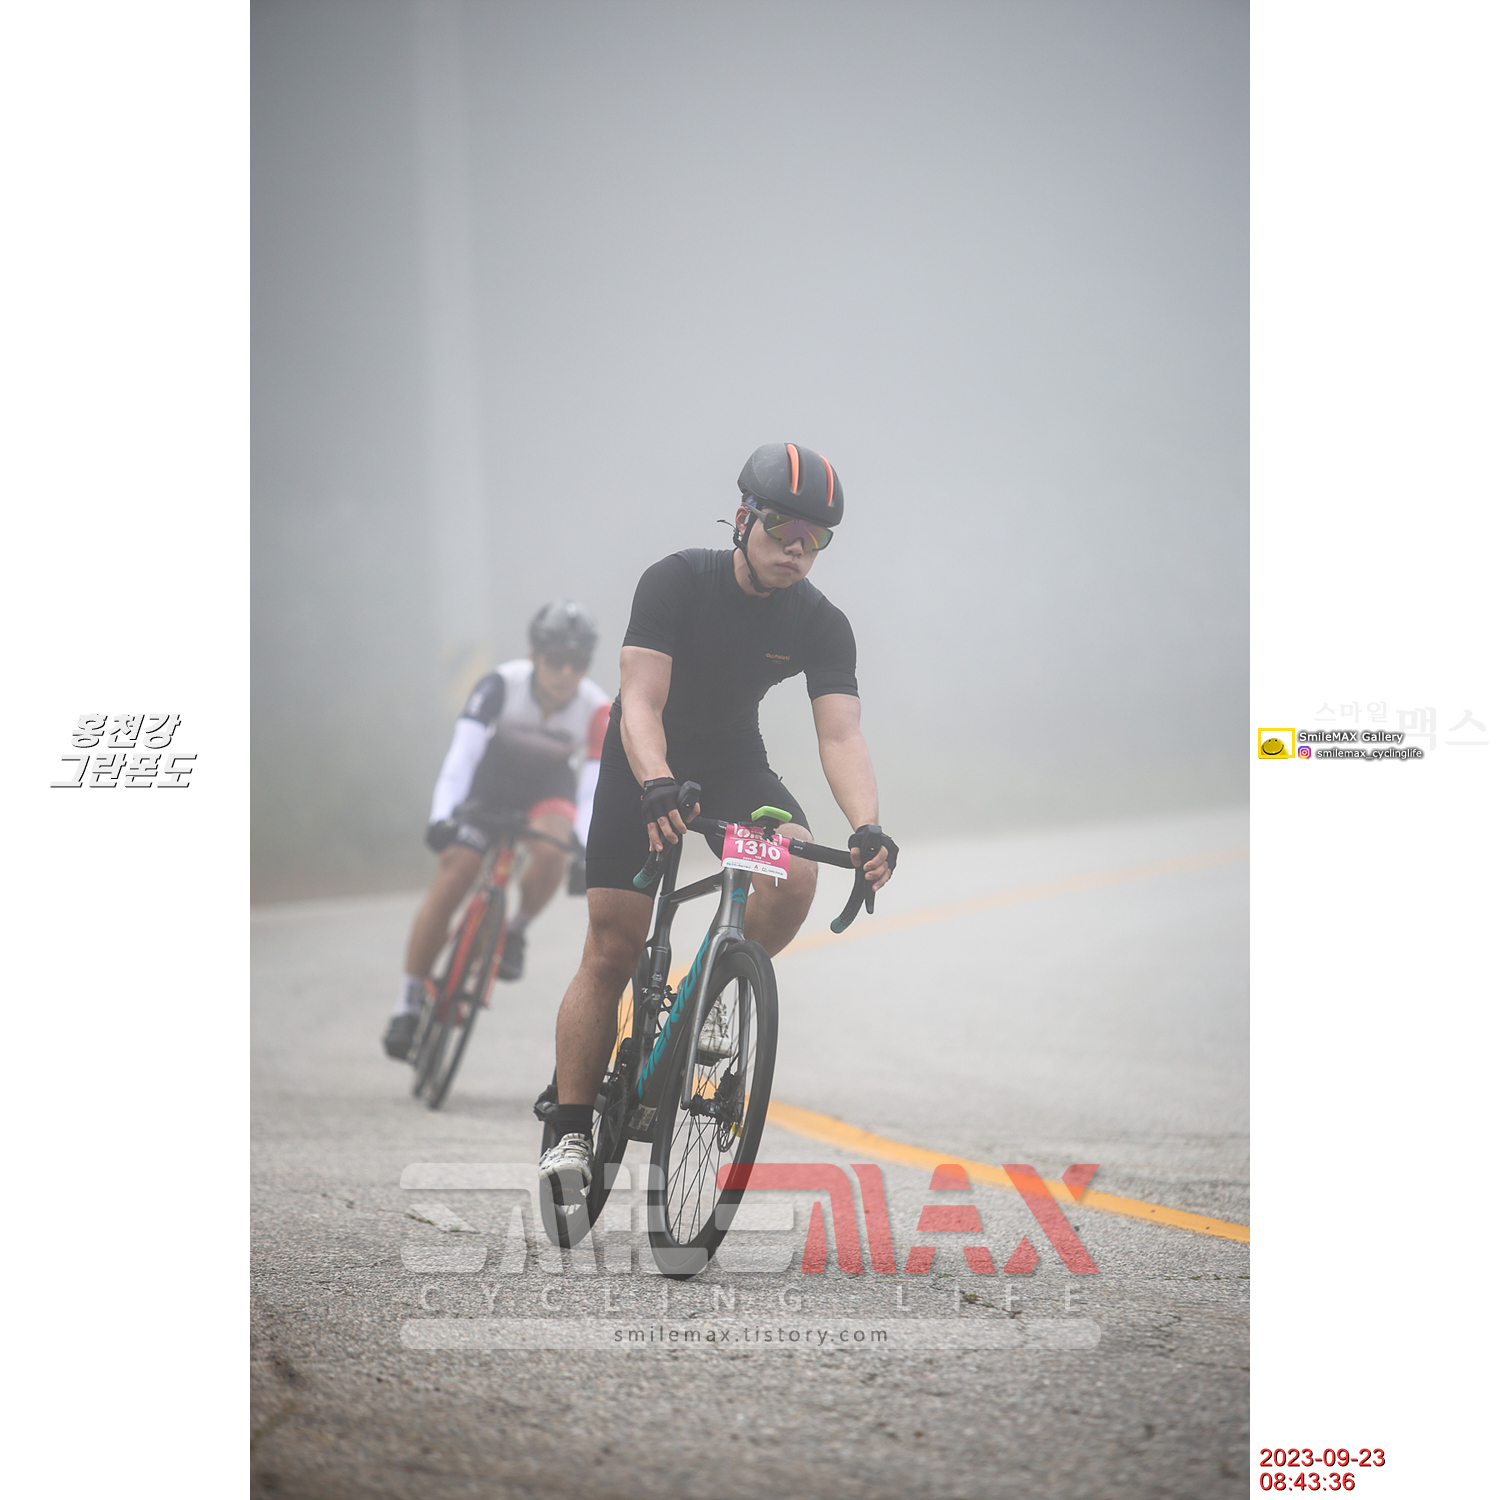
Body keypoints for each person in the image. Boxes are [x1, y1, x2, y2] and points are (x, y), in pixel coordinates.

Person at [538, 443, 897, 1188]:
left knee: (794, 872)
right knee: (613, 949)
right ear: (743, 518)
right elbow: (640, 701)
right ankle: (569, 1130)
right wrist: (657, 781)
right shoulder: (676, 580)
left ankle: (701, 1002)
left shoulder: (822, 622)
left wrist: (866, 827)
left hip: (734, 766)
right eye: (782, 527)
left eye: (816, 539)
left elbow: (840, 734)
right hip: (642, 760)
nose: (796, 549)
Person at [382, 601, 612, 1060]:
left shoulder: (597, 709)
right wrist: (442, 816)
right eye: (556, 659)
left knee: (553, 848)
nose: (566, 672)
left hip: (548, 784)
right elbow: (463, 755)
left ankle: (516, 929)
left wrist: (584, 846)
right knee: (456, 873)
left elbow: (591, 788)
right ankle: (406, 1004)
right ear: (534, 654)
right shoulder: (499, 685)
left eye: (579, 662)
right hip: (492, 780)